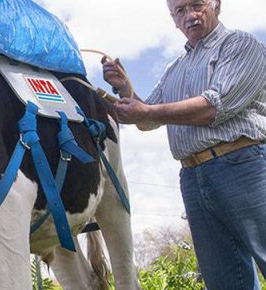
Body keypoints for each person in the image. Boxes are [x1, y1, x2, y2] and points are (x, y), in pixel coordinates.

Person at [101, 0, 266, 289]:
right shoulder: (175, 68)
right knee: (224, 280)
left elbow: (214, 106)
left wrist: (147, 112)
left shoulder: (239, 44)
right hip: (192, 176)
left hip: (243, 165)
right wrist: (123, 86)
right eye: (180, 11)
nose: (190, 16)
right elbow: (147, 116)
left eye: (197, 5)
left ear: (216, 5)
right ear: (173, 20)